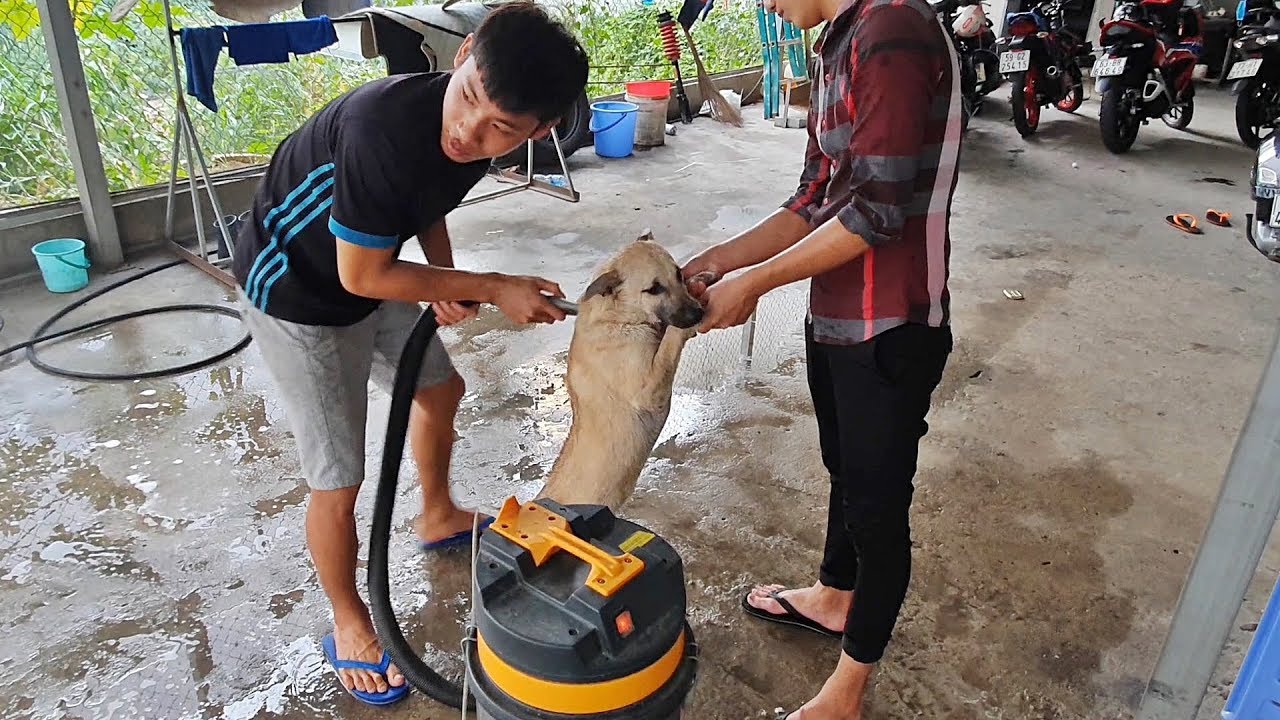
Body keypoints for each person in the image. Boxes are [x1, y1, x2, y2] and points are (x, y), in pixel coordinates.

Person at [229, 2, 588, 706]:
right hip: (298, 290)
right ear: (461, 61)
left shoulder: (473, 141)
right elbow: (357, 276)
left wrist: (443, 282)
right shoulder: (381, 128)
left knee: (440, 389)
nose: (468, 131)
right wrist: (487, 285)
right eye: (469, 102)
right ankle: (348, 616)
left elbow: (429, 201)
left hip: (371, 267)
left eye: (501, 130)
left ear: (539, 133)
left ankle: (437, 515)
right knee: (337, 478)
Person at [680, 0, 961, 714]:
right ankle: (836, 595)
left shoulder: (892, 29)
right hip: (837, 313)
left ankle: (850, 685)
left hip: (891, 324)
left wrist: (756, 284)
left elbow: (875, 209)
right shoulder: (839, 43)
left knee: (876, 504)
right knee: (845, 472)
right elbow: (814, 195)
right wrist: (724, 259)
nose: (764, 5)